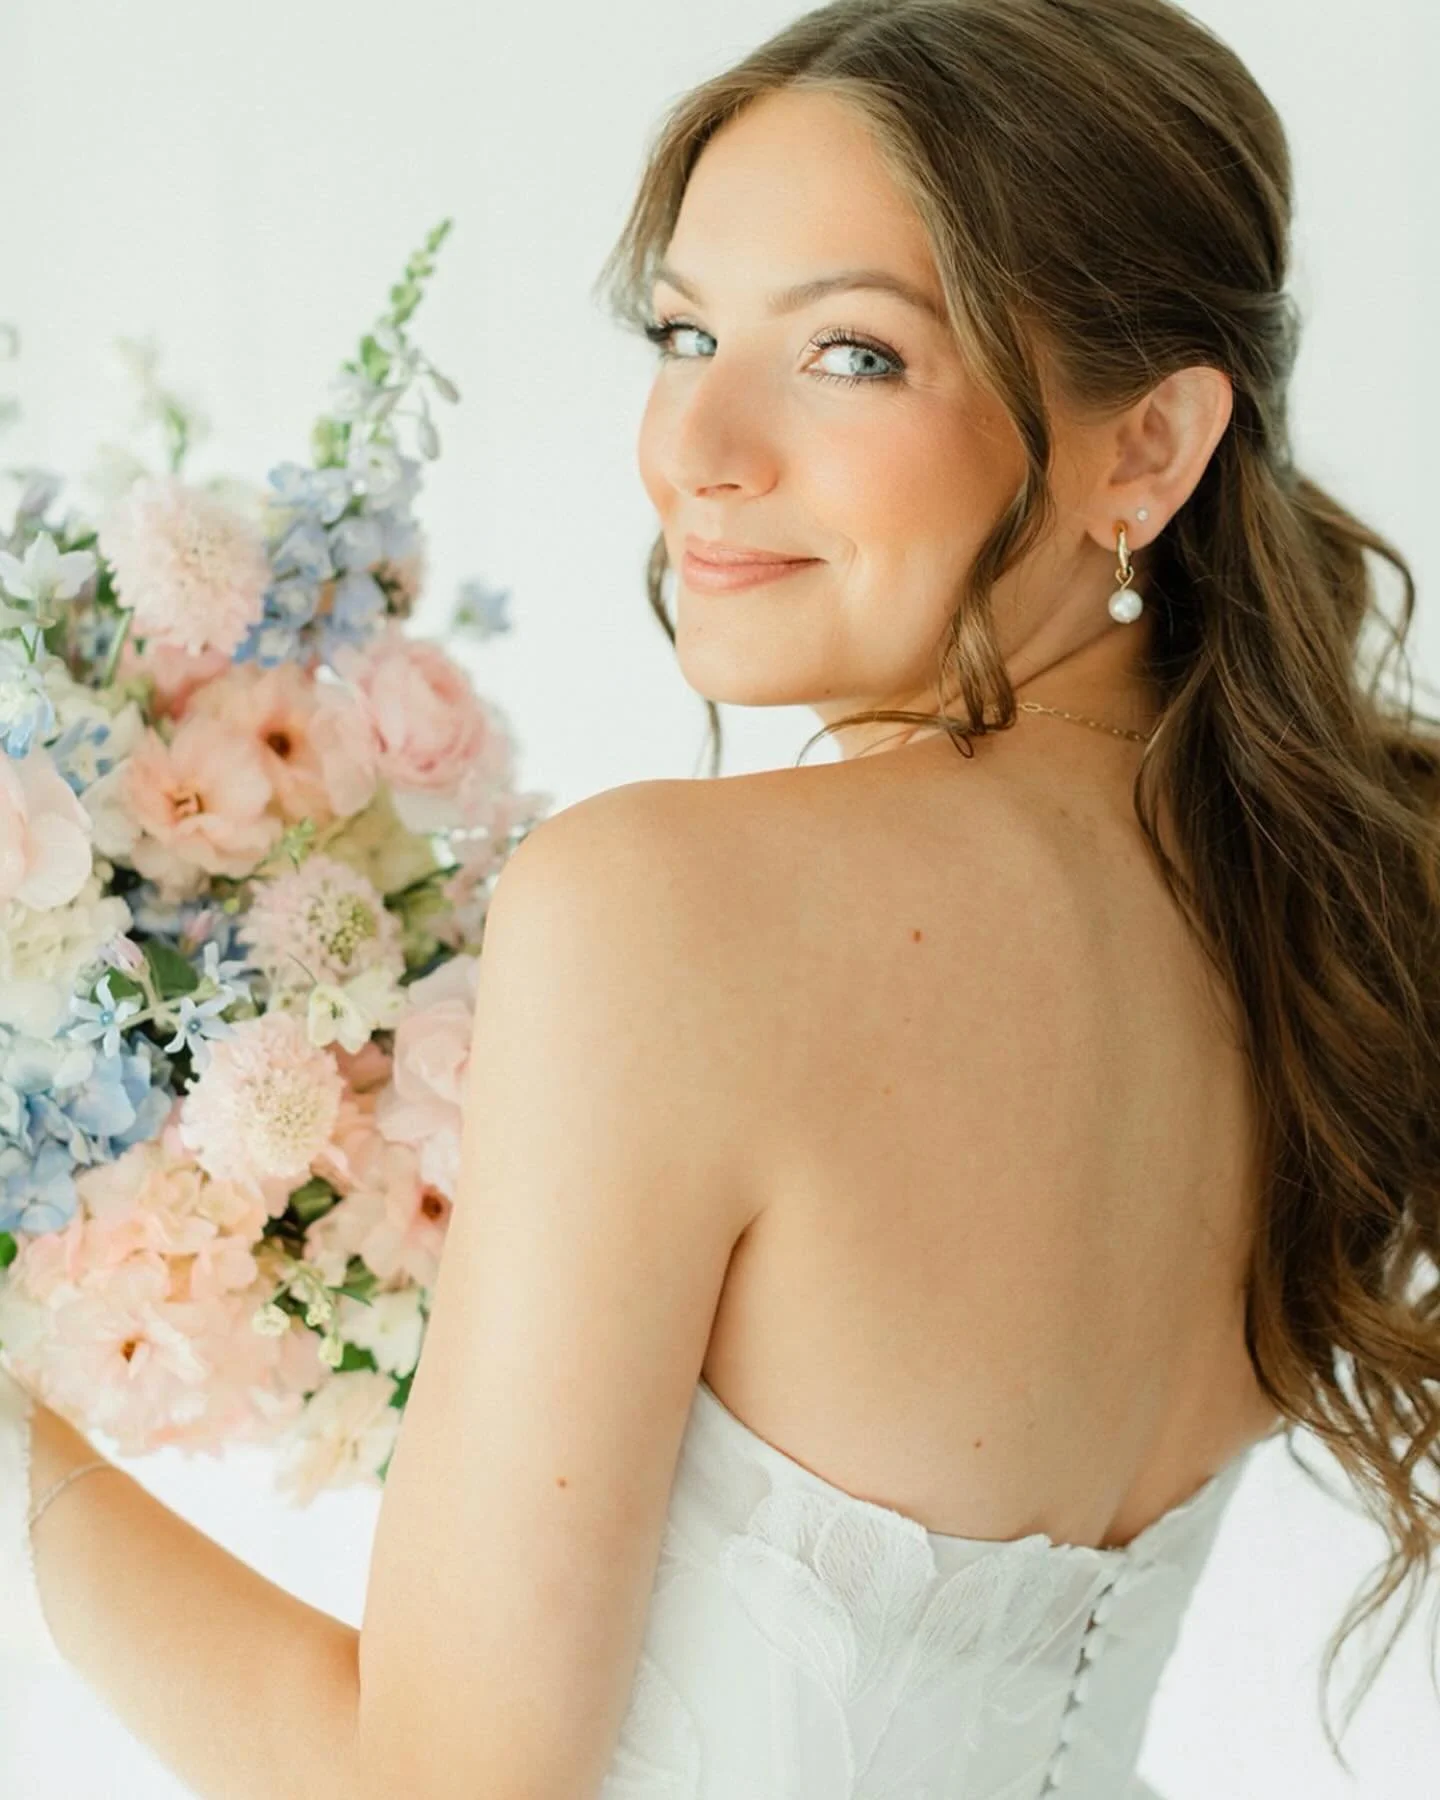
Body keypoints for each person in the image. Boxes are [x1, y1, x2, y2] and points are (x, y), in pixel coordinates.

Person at [4, 2, 1437, 1796]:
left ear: (1147, 447)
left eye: (852, 355)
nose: (698, 446)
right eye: (684, 331)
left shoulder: (665, 911)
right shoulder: (1331, 917)